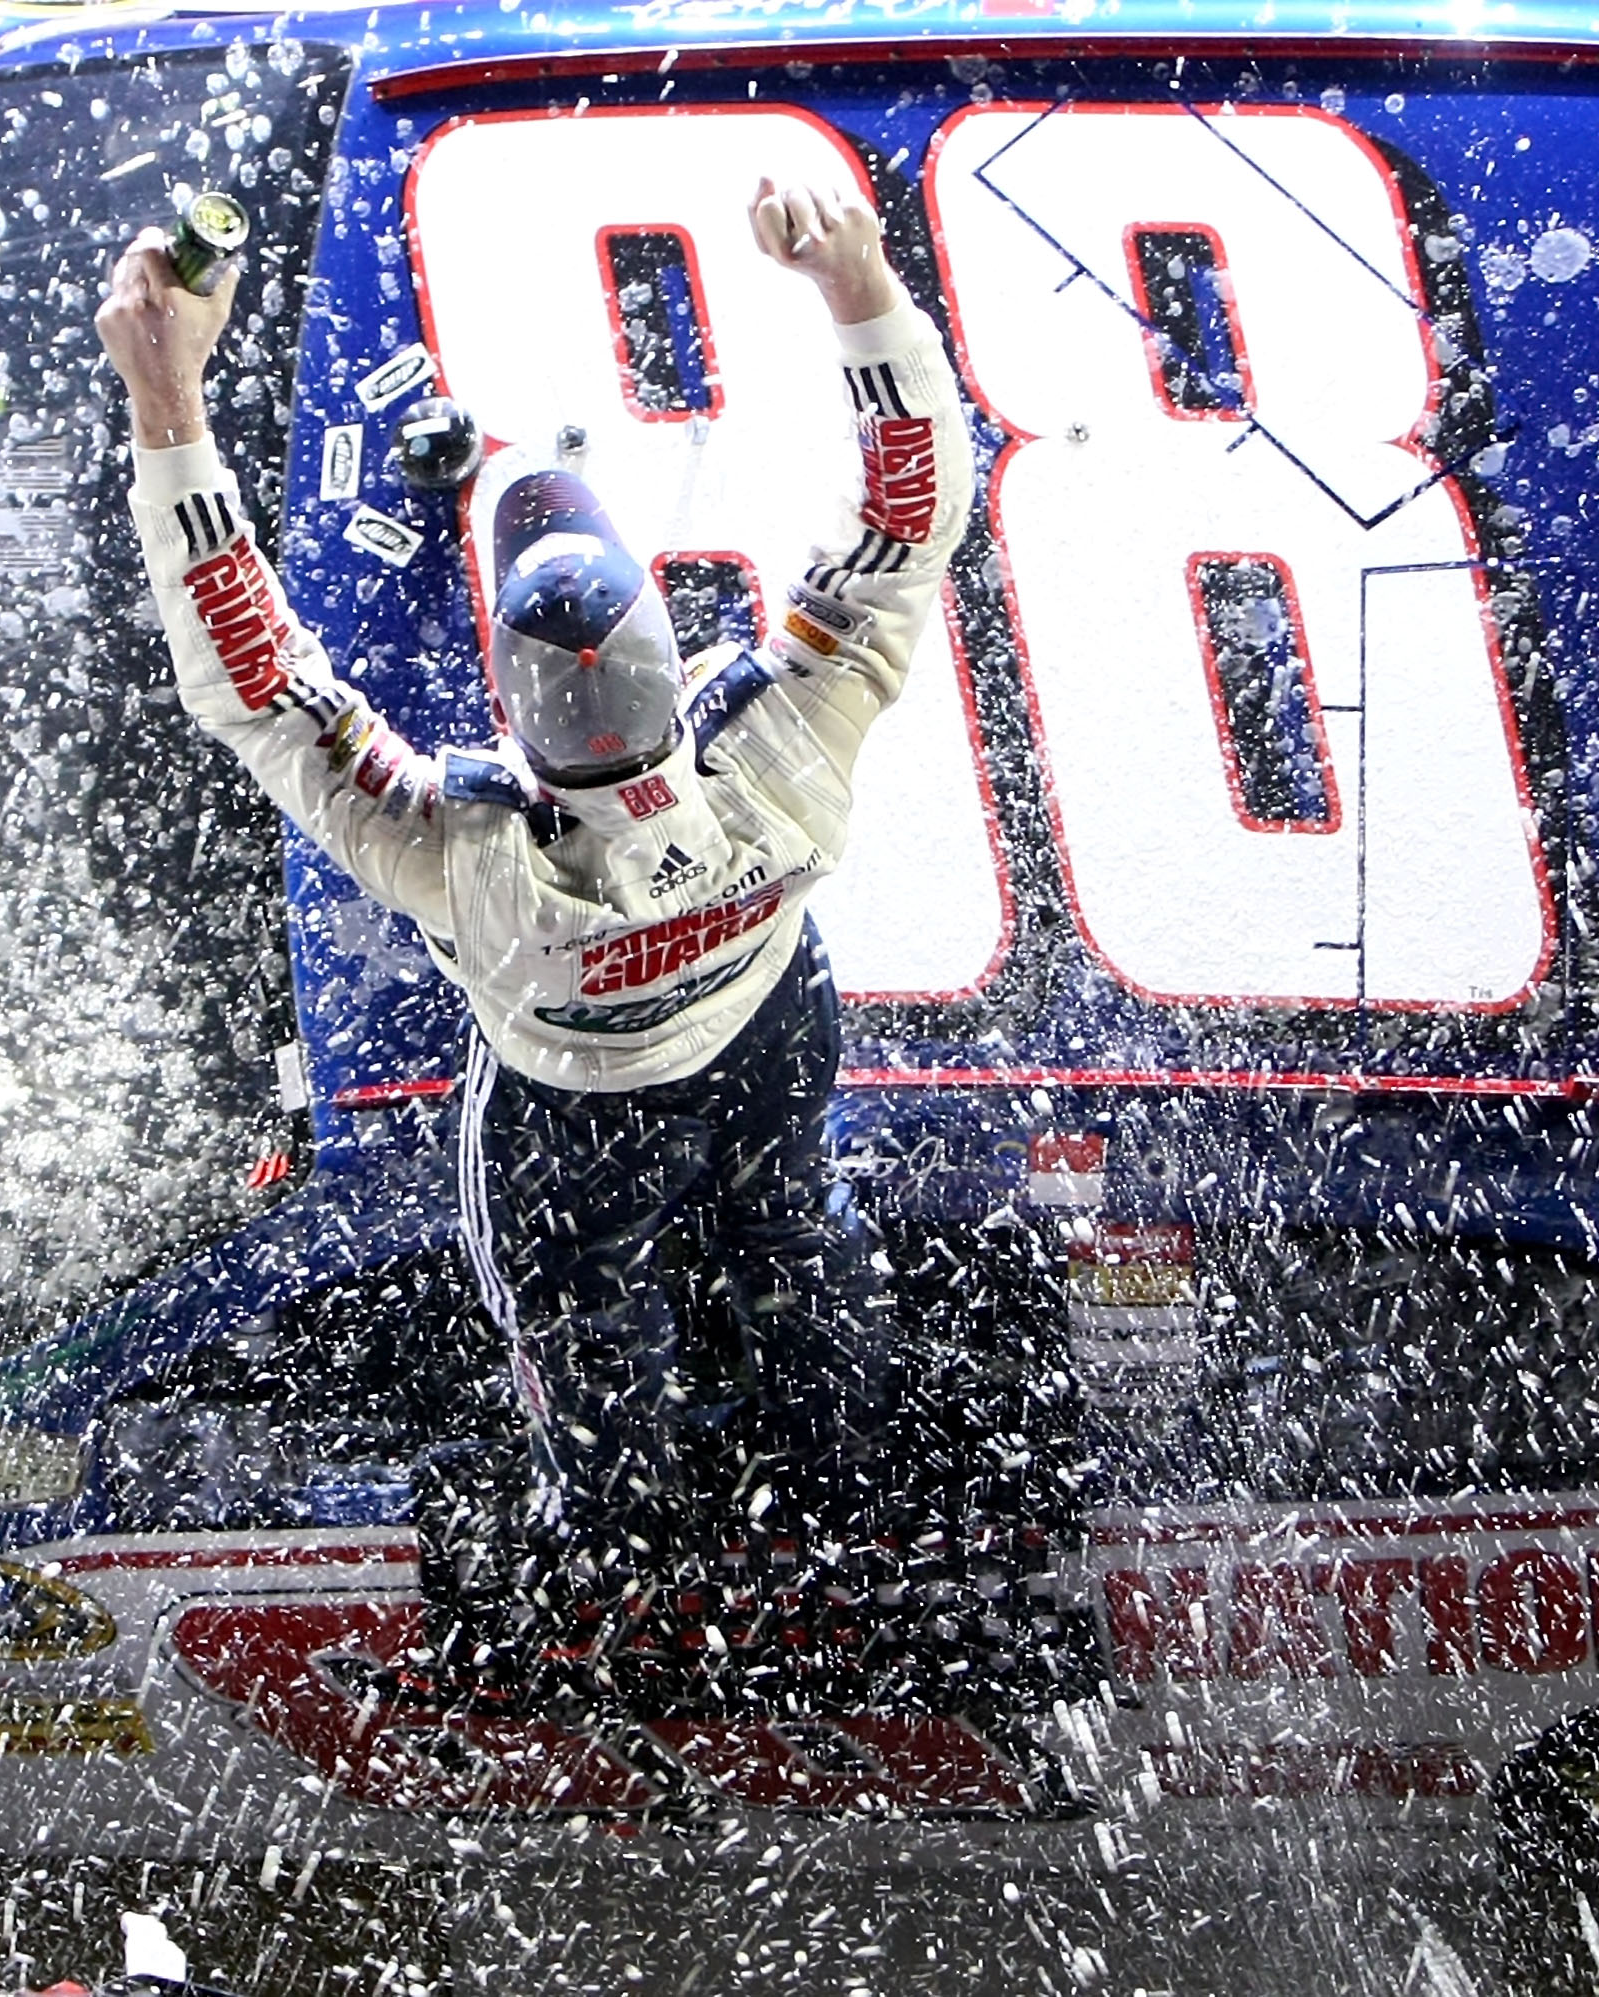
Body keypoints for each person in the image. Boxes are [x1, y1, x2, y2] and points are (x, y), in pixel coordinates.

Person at [93, 179, 972, 1637]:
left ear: (511, 718)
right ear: (675, 655)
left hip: (572, 1111)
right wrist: (860, 282)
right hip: (766, 1027)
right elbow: (910, 515)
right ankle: (847, 1471)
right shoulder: (784, 745)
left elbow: (254, 682)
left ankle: (620, 1544)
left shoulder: (456, 848)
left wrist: (166, 398)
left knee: (582, 1335)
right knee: (796, 1229)